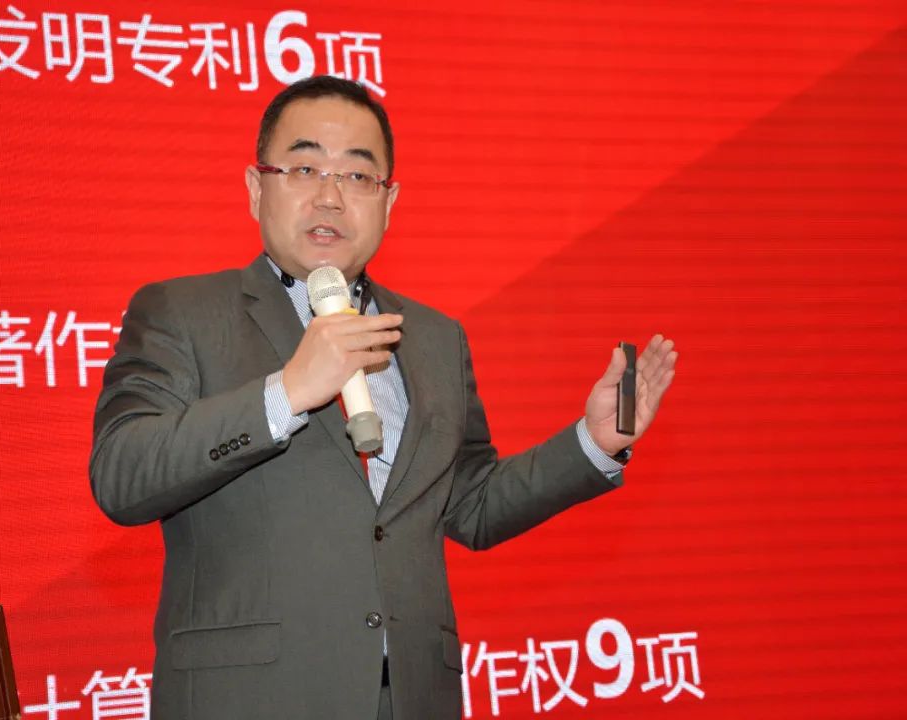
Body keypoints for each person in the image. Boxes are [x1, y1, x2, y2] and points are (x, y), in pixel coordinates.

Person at [89, 76, 677, 720]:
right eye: (304, 168)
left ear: (389, 202)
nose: (330, 196)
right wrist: (288, 391)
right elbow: (122, 474)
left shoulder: (432, 337)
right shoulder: (181, 313)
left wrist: (593, 442)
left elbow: (472, 505)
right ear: (257, 188)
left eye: (357, 176)